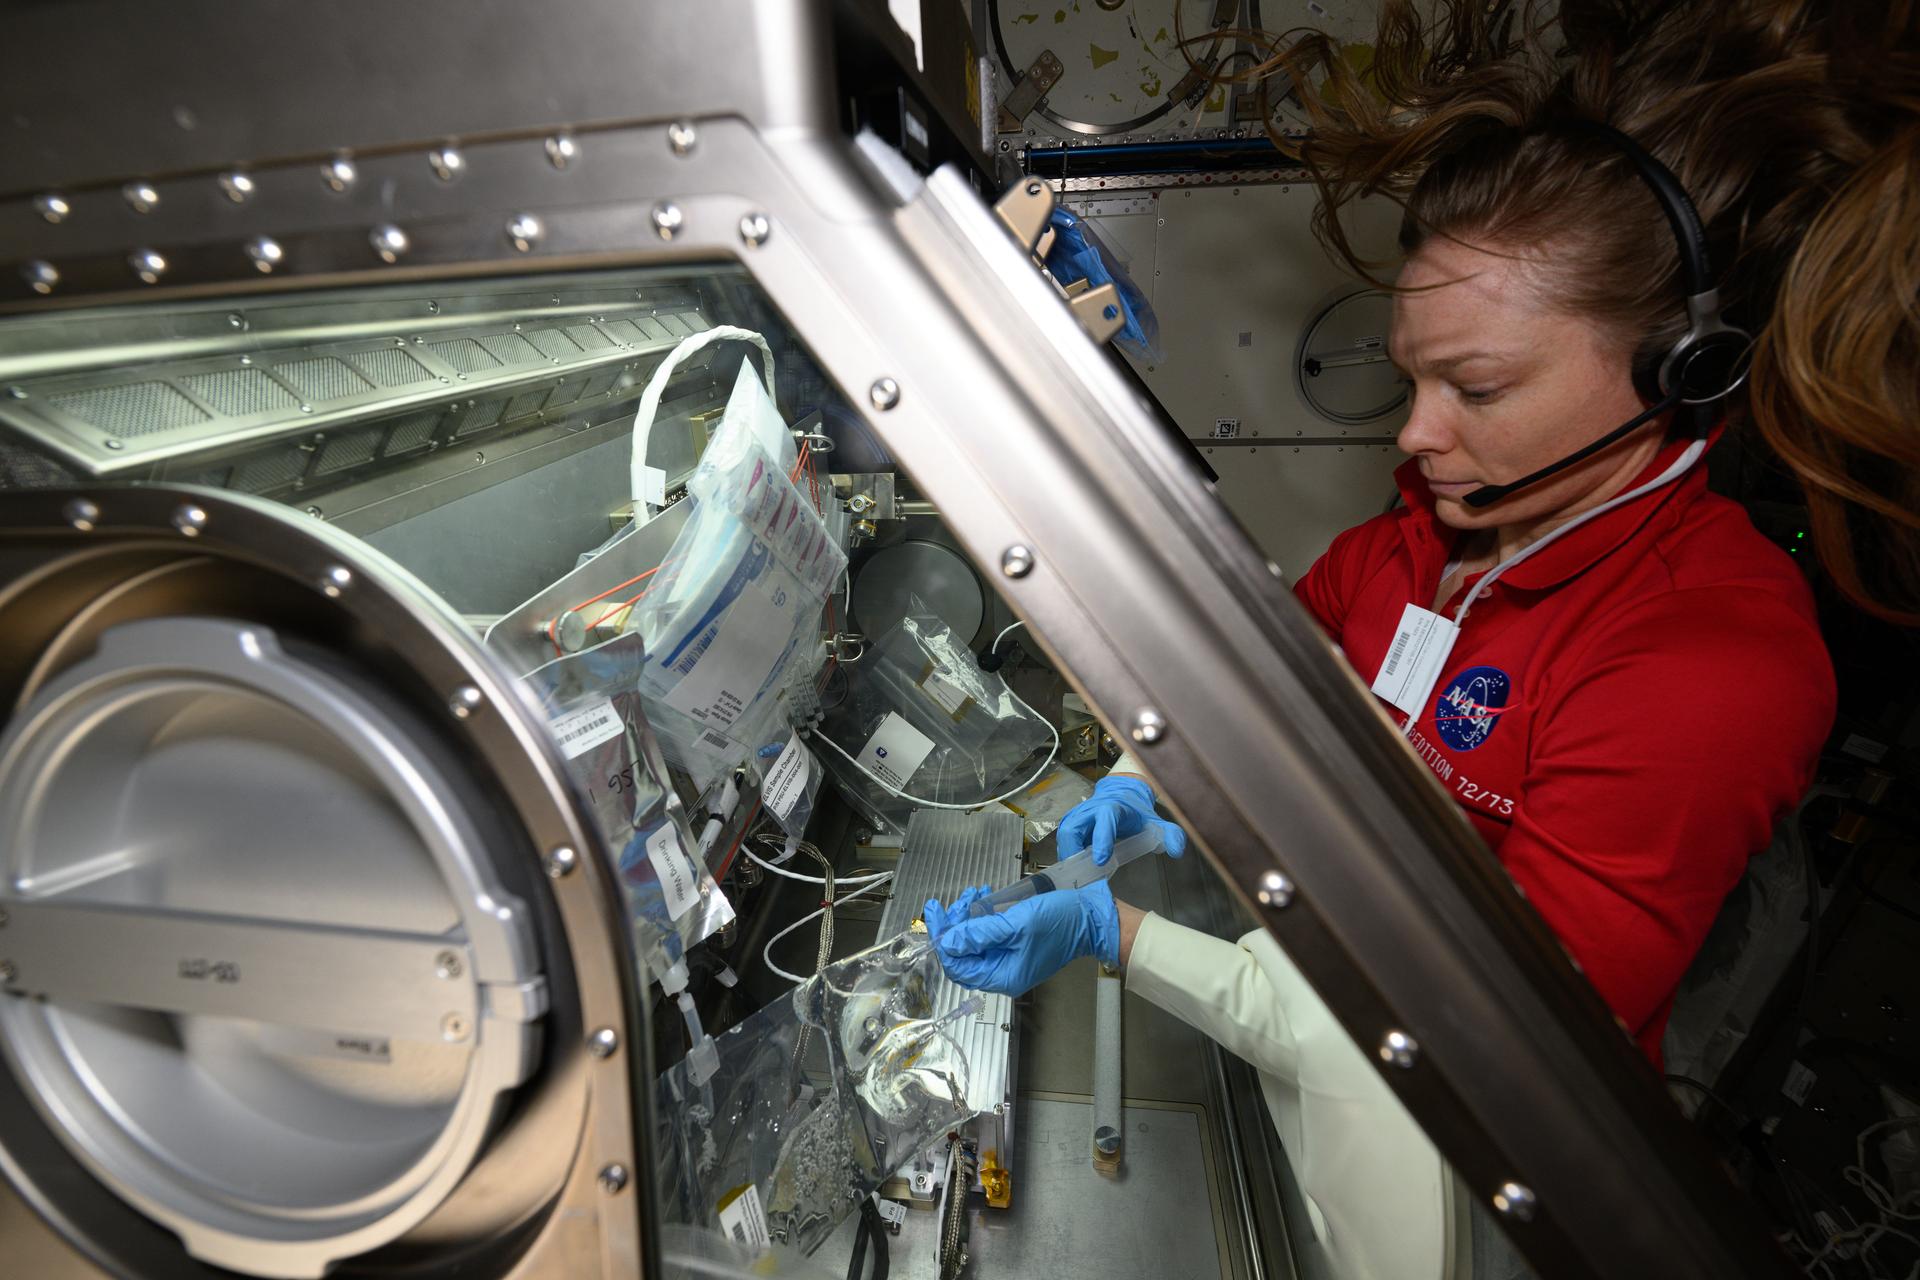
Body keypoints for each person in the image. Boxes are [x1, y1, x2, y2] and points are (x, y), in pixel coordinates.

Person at [926, 1, 1919, 1275]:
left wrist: (1117, 937)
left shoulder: (1708, 665)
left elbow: (1474, 1051)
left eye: (1477, 386)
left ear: (1681, 371)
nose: (1414, 432)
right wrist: (1140, 777)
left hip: (1460, 1180)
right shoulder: (1409, 548)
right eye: (1412, 377)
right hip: (1310, 1075)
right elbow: (1244, 680)